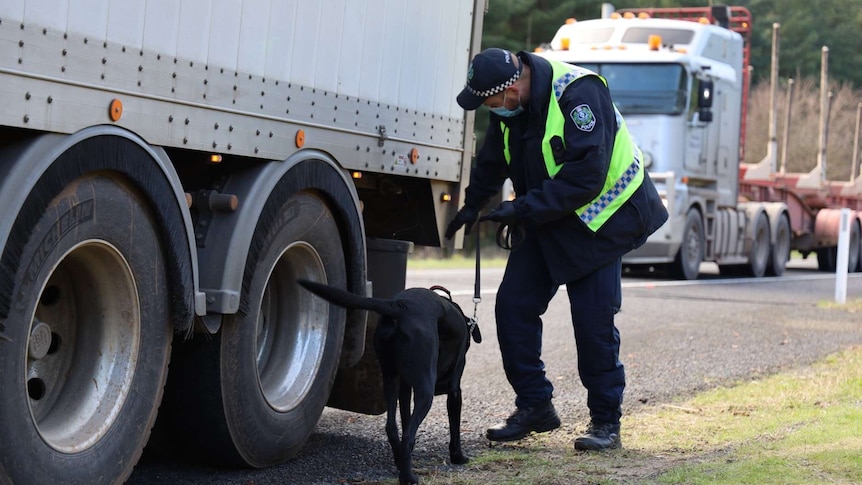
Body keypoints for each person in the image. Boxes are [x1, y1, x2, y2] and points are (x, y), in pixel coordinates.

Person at [445, 48, 668, 451]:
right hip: (550, 217)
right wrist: (472, 205)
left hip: (602, 220)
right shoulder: (510, 110)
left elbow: (587, 176)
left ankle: (605, 423)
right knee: (513, 306)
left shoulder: (578, 95)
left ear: (512, 90)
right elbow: (494, 160)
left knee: (592, 320)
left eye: (491, 102)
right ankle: (535, 406)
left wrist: (520, 208)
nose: (489, 110)